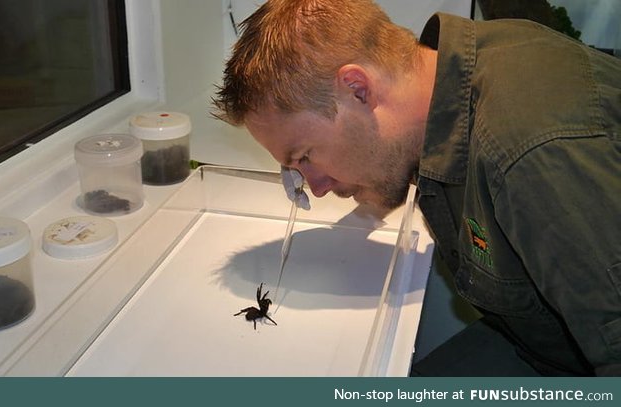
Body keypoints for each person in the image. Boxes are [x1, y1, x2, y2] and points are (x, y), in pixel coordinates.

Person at [212, 0, 621, 376]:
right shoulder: (437, 78)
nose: (315, 188)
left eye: (305, 156)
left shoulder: (531, 159)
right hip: (536, 338)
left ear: (357, 89)